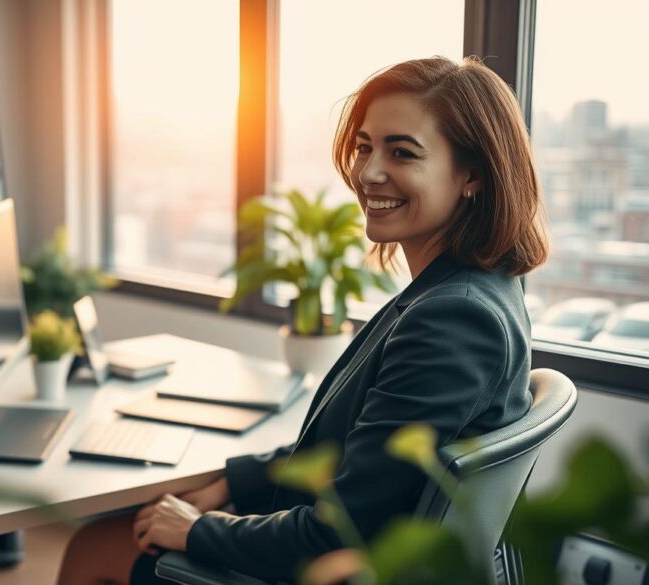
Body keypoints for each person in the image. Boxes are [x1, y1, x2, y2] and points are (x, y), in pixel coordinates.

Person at [56, 55, 549, 584]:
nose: (368, 172)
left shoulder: (455, 319)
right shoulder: (474, 288)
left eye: (402, 152)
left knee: (96, 545)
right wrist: (233, 483)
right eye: (364, 147)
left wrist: (199, 530)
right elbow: (359, 451)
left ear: (471, 174)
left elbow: (342, 533)